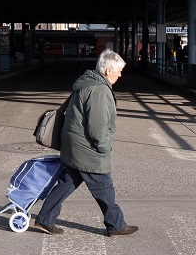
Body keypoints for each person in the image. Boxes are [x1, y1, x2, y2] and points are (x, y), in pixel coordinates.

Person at [34, 49, 139, 237]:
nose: (120, 75)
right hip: (88, 149)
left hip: (75, 146)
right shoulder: (98, 90)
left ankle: (44, 219)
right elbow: (97, 126)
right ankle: (116, 225)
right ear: (108, 70)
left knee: (67, 183)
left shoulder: (87, 83)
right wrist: (104, 147)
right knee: (104, 187)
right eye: (118, 71)